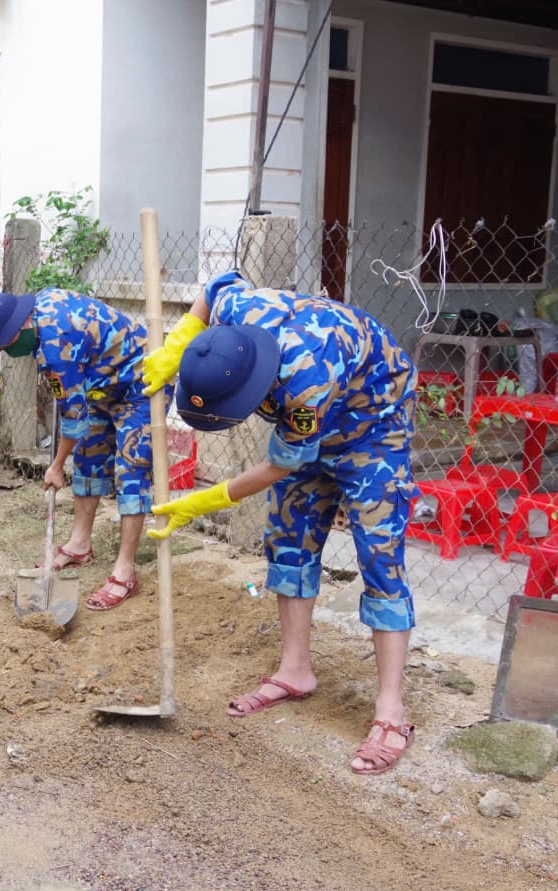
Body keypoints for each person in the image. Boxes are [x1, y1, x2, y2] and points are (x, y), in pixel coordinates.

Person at [143, 271, 419, 775]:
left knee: (379, 556)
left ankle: (391, 713)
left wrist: (202, 502)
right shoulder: (234, 315)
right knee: (289, 539)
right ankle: (295, 672)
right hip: (307, 424)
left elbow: (281, 464)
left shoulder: (305, 378)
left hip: (372, 427)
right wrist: (178, 343)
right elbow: (218, 286)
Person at [0, 288, 152, 611]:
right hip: (101, 381)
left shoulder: (56, 351)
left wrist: (55, 466)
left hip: (140, 379)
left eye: (6, 346)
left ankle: (124, 572)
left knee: (131, 469)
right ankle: (80, 545)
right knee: (89, 455)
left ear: (21, 326)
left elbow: (73, 421)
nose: (8, 353)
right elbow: (76, 413)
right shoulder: (39, 307)